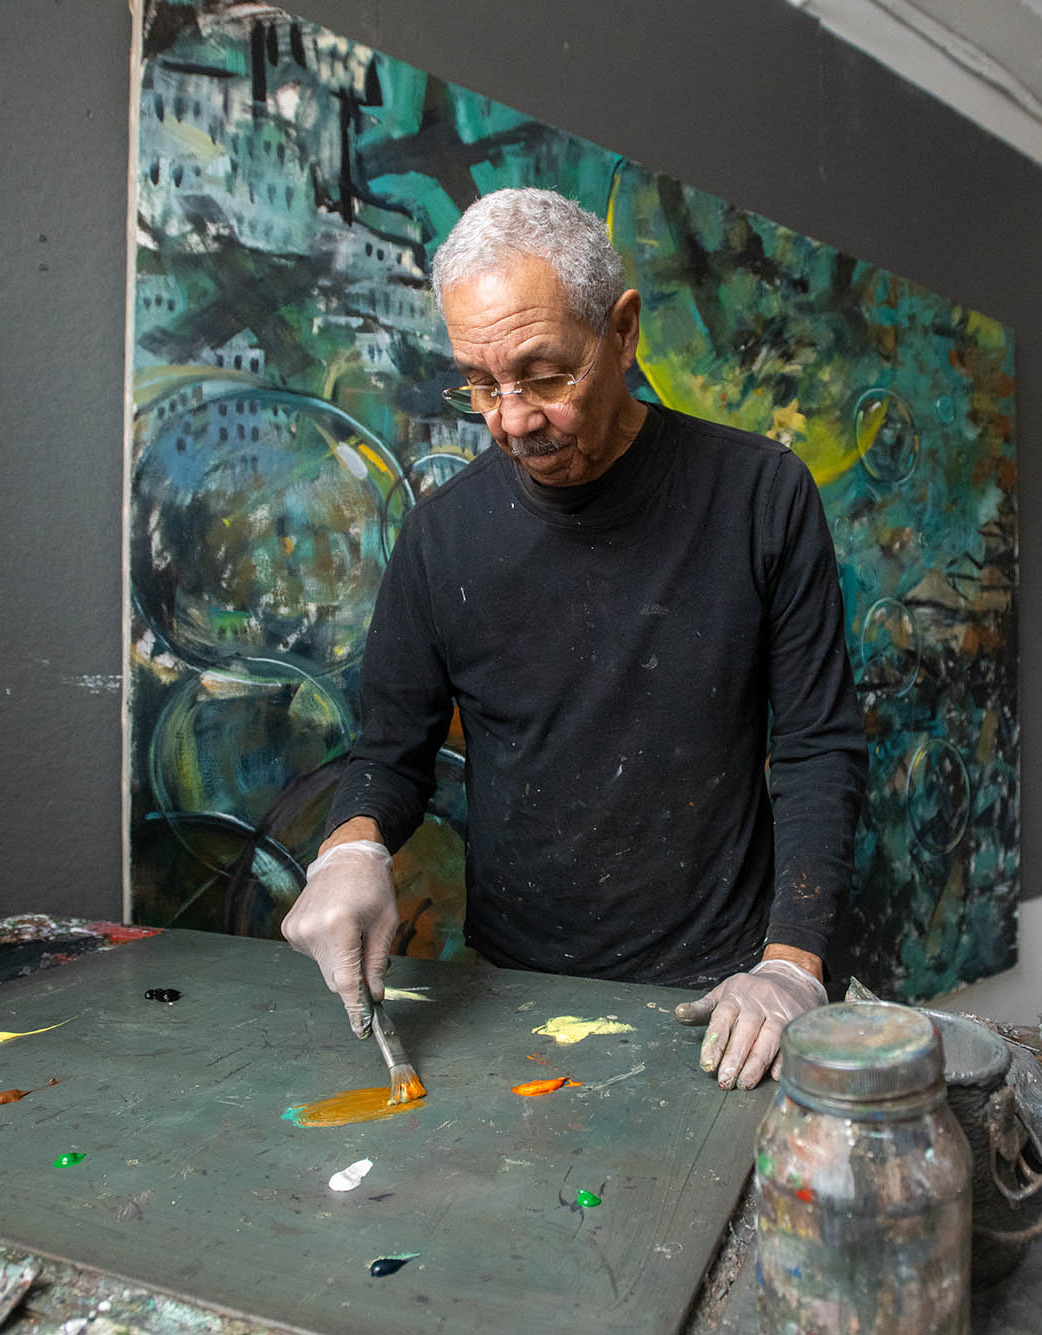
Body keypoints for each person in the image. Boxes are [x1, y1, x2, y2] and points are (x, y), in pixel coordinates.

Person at [281, 188, 866, 1090]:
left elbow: (819, 746)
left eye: (546, 375)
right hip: (515, 993)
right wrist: (350, 846)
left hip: (725, 997)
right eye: (480, 383)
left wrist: (792, 964)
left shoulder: (760, 499)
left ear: (622, 331)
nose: (511, 418)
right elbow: (391, 753)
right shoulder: (441, 538)